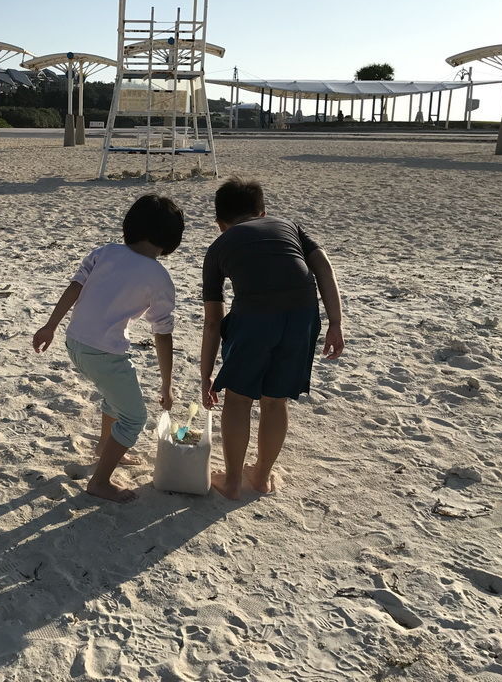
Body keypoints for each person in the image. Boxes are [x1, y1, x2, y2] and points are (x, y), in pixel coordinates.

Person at [32, 195, 183, 503]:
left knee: (115, 397)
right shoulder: (160, 277)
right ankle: (100, 482)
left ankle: (104, 446)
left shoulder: (104, 252)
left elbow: (74, 288)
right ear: (170, 238)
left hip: (75, 343)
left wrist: (50, 325)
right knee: (134, 417)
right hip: (103, 353)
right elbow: (163, 335)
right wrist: (167, 385)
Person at [199, 178, 344, 499]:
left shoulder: (219, 247)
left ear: (220, 224)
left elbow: (213, 322)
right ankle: (262, 477)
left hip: (253, 319)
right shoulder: (289, 225)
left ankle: (234, 481)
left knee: (237, 399)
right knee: (275, 401)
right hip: (303, 316)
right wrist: (335, 322)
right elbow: (323, 267)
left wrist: (206, 374)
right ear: (263, 212)